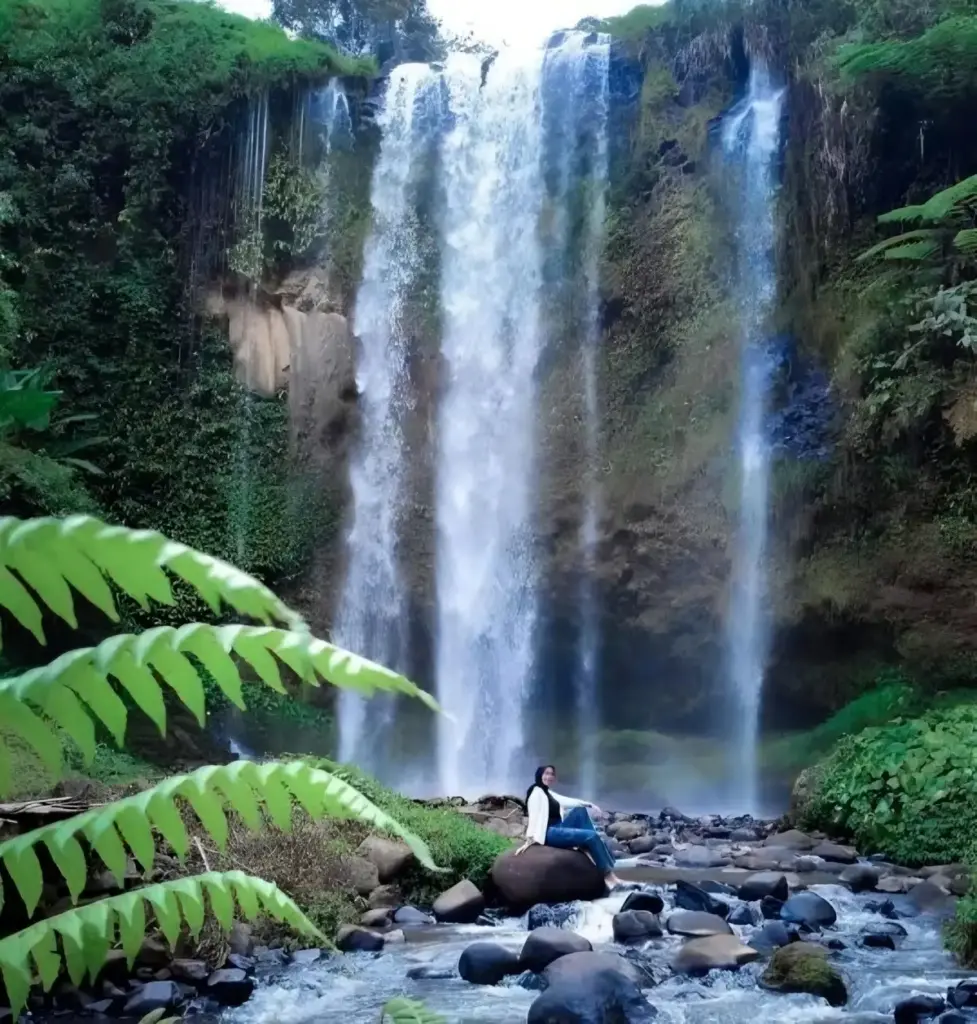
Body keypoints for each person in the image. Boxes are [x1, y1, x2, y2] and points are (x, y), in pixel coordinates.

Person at [515, 764, 623, 888]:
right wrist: (529, 839)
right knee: (592, 836)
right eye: (546, 773)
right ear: (539, 775)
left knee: (580, 811)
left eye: (552, 774)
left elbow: (565, 800)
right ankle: (607, 875)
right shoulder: (536, 793)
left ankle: (588, 846)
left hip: (558, 827)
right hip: (548, 832)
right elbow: (533, 817)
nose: (549, 776)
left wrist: (588, 804)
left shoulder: (547, 792)